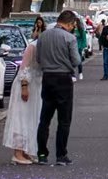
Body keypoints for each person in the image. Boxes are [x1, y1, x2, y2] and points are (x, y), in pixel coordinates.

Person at [35, 10, 81, 166]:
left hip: (47, 78)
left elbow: (39, 58)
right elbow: (76, 60)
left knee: (44, 119)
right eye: (73, 25)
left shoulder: (43, 36)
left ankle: (42, 154)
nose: (73, 28)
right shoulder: (70, 38)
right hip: (63, 79)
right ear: (69, 23)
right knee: (64, 120)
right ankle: (61, 155)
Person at [2, 35, 43, 164]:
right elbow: (24, 68)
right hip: (25, 84)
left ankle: (26, 150)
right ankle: (18, 152)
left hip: (36, 85)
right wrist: (24, 86)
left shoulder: (42, 47)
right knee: (21, 116)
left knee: (31, 118)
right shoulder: (33, 46)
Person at [73, 13, 90, 81]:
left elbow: (84, 39)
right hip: (72, 48)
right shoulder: (71, 30)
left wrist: (83, 46)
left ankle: (80, 72)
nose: (74, 23)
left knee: (79, 60)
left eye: (75, 22)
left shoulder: (80, 30)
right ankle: (73, 75)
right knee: (71, 61)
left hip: (78, 47)